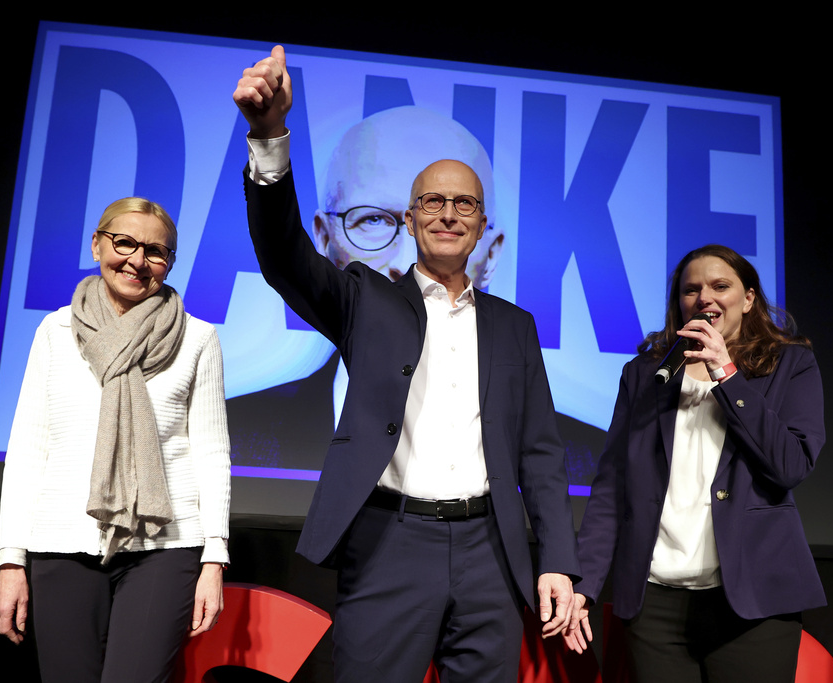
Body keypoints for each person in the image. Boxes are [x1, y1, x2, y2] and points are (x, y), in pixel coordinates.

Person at [234, 46, 582, 682]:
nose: (448, 214)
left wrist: (557, 560)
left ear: (485, 231)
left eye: (465, 205)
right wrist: (268, 138)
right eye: (432, 202)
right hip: (390, 539)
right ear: (411, 217)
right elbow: (284, 256)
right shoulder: (365, 298)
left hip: (491, 550)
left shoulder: (514, 328)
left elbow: (541, 454)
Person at [227, 104, 607, 478]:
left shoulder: (585, 454)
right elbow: (284, 256)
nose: (405, 259)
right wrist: (268, 135)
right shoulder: (243, 433)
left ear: (490, 252)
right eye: (372, 219)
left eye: (459, 211)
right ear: (325, 239)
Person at [0, 197, 231, 683]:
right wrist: (11, 560)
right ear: (98, 244)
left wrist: (214, 559)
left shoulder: (198, 338)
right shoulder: (55, 332)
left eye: (156, 252)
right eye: (124, 243)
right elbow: (28, 451)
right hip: (62, 539)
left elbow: (211, 453)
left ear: (170, 264)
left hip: (166, 545)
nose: (137, 261)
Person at [566, 244, 826, 683]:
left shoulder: (790, 365)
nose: (704, 297)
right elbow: (610, 488)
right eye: (691, 290)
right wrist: (585, 585)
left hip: (753, 604)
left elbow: (790, 465)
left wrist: (727, 373)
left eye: (719, 286)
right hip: (653, 605)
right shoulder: (646, 374)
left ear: (748, 299)